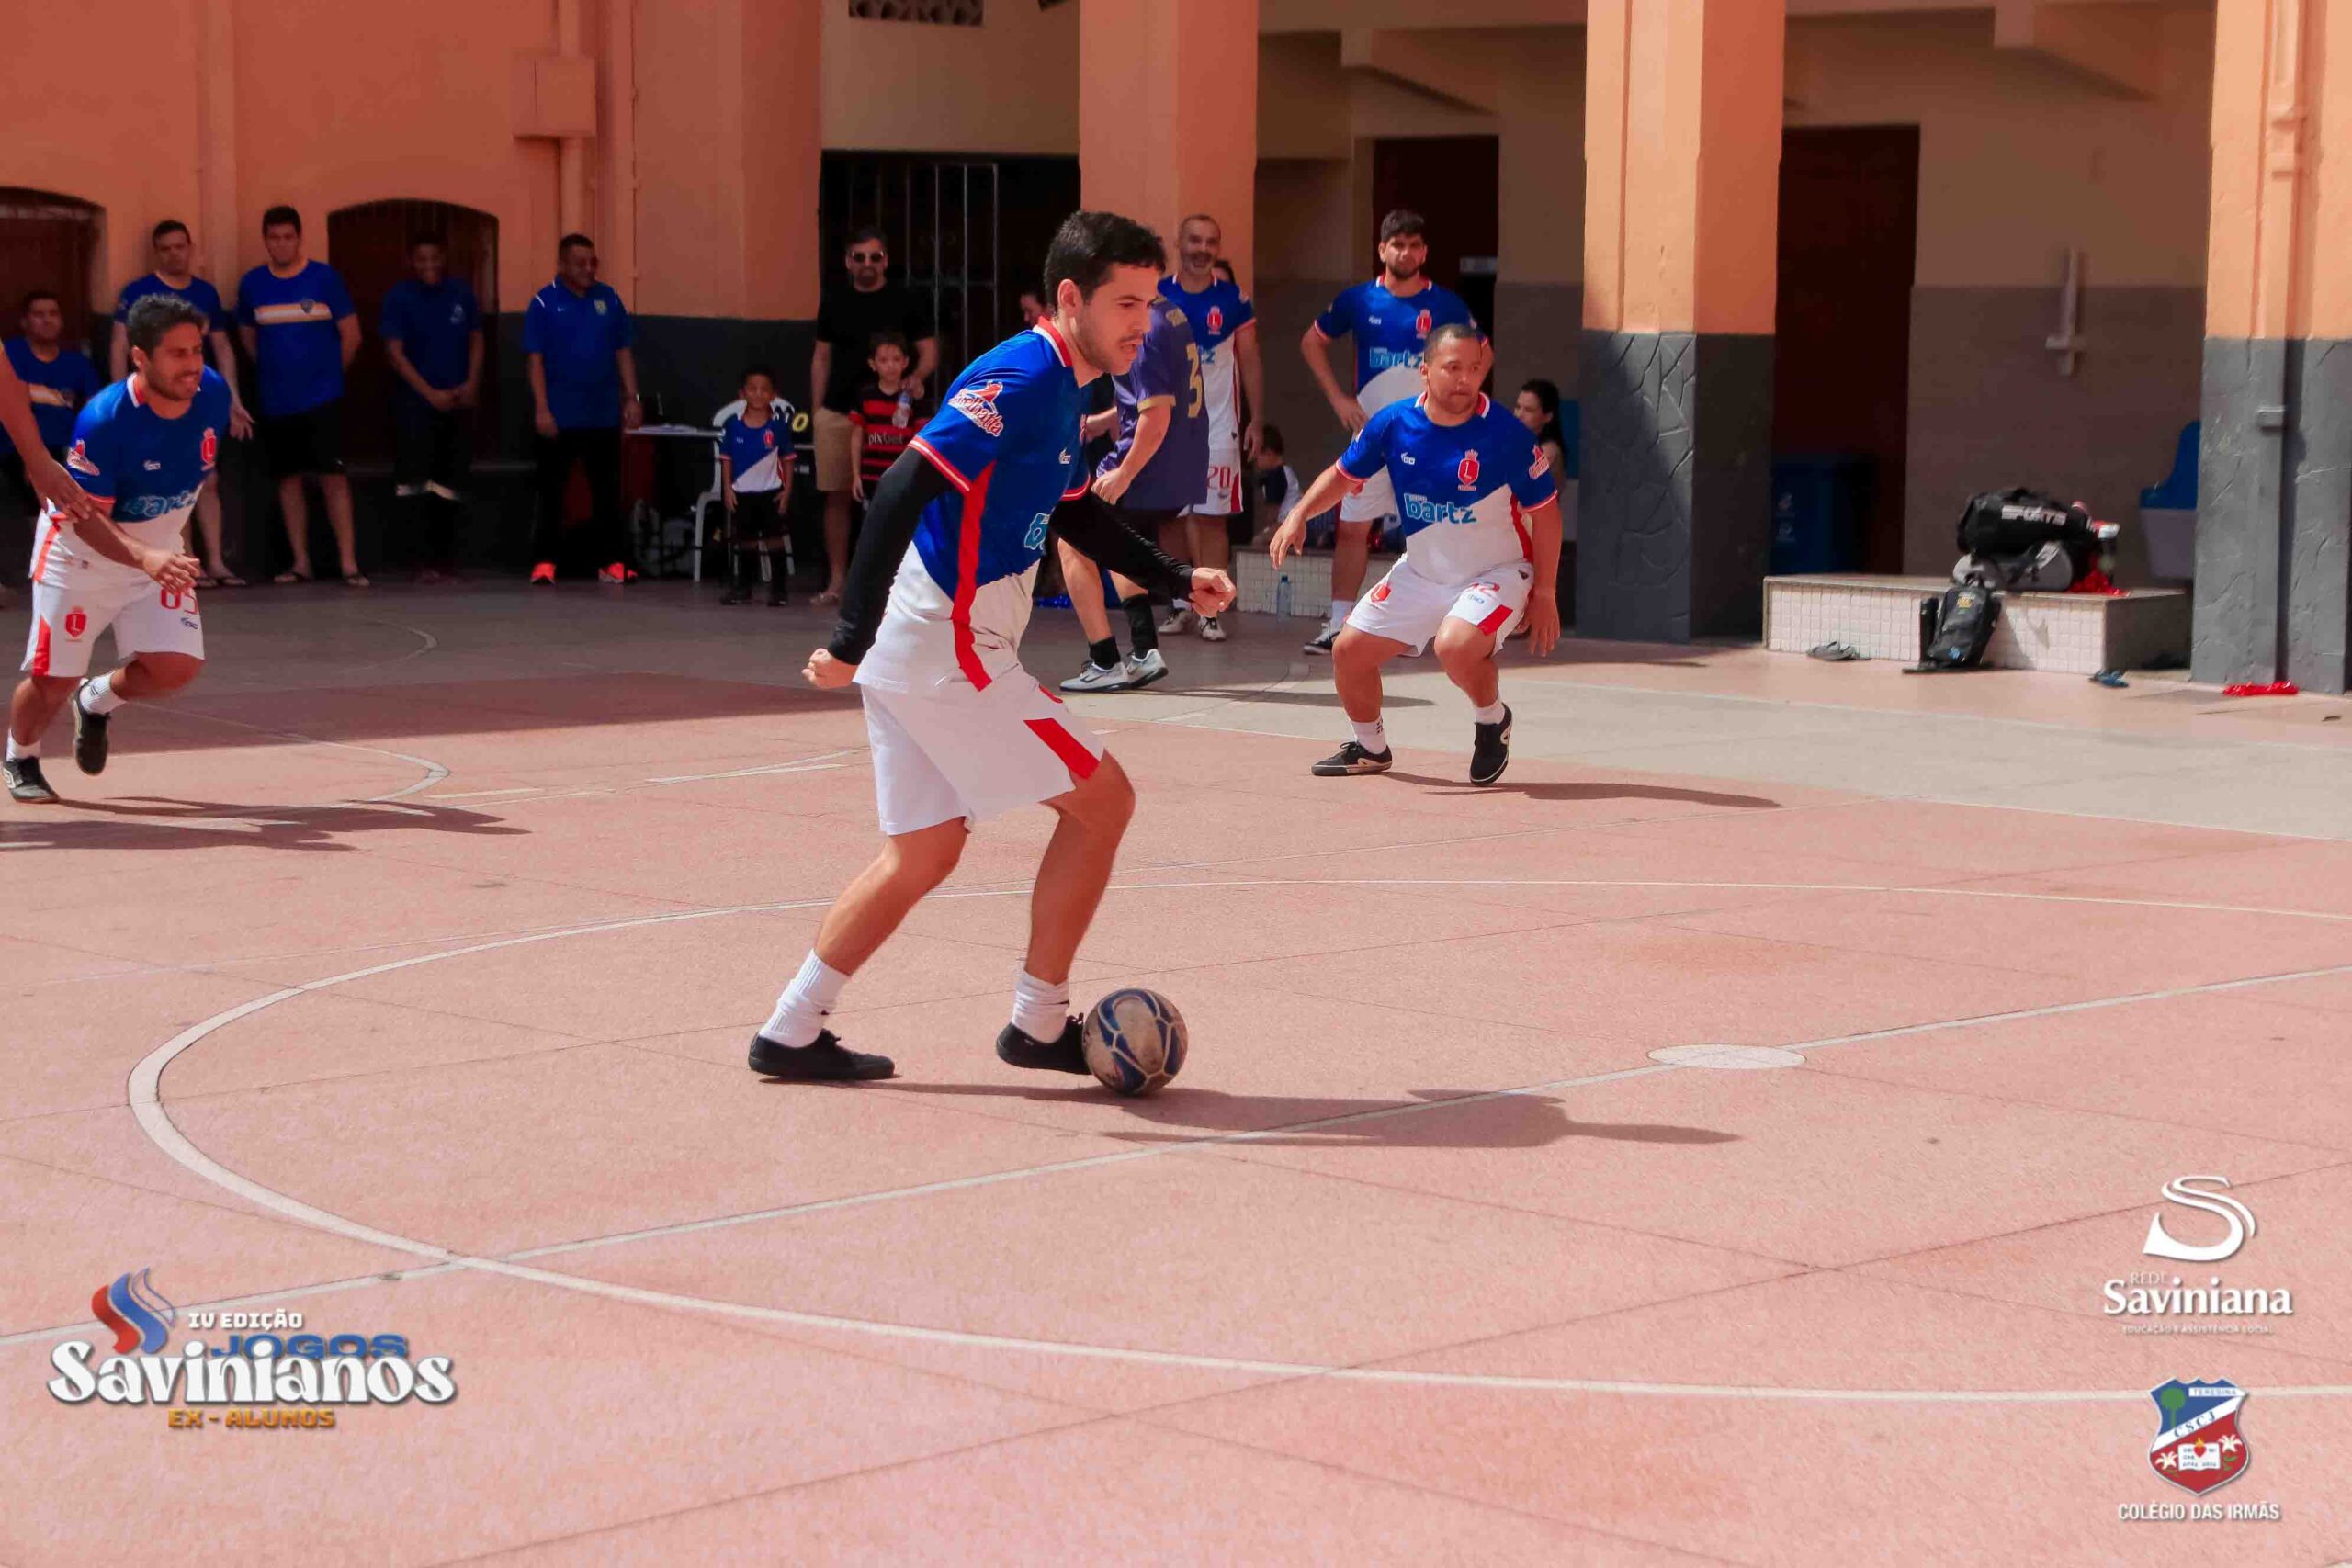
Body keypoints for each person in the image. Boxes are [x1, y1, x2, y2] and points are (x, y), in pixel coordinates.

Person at [749, 210, 1235, 1083]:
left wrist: (1171, 576)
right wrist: (849, 638)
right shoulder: (1022, 376)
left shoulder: (1070, 386)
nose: (1144, 324)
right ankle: (1039, 1021)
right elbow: (901, 486)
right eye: (1127, 304)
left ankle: (790, 1028)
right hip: (949, 641)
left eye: (1152, 305)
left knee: (924, 851)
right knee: (1105, 802)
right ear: (1071, 298)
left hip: (930, 640)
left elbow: (1074, 508)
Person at [1271, 322, 1563, 787]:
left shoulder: (1506, 435)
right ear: (1424, 371)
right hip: (1423, 572)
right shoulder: (1393, 424)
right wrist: (1299, 514)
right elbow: (1344, 475)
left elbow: (1546, 516)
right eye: (1452, 368)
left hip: (1498, 572)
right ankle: (1370, 748)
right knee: (1348, 652)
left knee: (1455, 646)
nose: (1465, 379)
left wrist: (1545, 593)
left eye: (1474, 369)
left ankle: (1492, 720)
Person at [6, 296, 212, 805]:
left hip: (156, 556)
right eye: (177, 354)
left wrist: (158, 549)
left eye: (196, 351)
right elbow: (84, 519)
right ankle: (20, 755)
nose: (192, 365)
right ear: (140, 357)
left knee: (175, 667)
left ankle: (95, 700)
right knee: (53, 680)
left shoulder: (212, 393)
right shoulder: (103, 422)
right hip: (80, 558)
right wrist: (145, 556)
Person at [1298, 209, 1479, 656]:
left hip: (1430, 439)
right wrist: (1339, 399)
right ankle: (1339, 623)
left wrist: (1462, 403)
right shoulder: (1359, 300)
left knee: (1438, 530)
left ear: (1425, 252)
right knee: (1351, 528)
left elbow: (1482, 353)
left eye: (1414, 245)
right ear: (1382, 249)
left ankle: (1439, 627)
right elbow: (1311, 342)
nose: (1406, 252)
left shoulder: (1447, 305)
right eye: (1398, 244)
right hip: (1374, 437)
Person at [1054, 285, 1206, 694]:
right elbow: (1155, 395)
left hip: (1146, 461)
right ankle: (1143, 652)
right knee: (1113, 542)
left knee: (1074, 538)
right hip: (1181, 459)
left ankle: (1106, 660)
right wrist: (1106, 421)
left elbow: (1156, 414)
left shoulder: (1142, 327)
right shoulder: (1171, 312)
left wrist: (1124, 473)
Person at [113, 220, 253, 586]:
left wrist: (233, 399)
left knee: (208, 478)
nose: (174, 254)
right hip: (156, 399)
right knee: (173, 482)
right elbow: (119, 344)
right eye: (166, 248)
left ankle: (217, 562)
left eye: (180, 246)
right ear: (156, 253)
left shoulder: (205, 293)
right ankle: (188, 562)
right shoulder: (139, 292)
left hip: (200, 399)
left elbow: (222, 348)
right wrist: (120, 398)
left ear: (190, 248)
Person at [235, 206, 363, 586]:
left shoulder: (325, 278)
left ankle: (349, 563)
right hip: (276, 400)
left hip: (324, 399)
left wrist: (327, 377)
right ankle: (301, 562)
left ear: (299, 238)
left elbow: (352, 335)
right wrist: (275, 373)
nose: (281, 244)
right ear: (265, 240)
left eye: (288, 237)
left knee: (333, 477)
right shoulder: (252, 284)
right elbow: (248, 338)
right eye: (274, 238)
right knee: (288, 480)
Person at [810, 230, 939, 606]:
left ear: (885, 261)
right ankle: (838, 581)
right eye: (860, 257)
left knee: (900, 498)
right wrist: (816, 410)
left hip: (894, 416)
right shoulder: (834, 300)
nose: (867, 264)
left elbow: (929, 351)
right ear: (848, 262)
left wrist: (915, 380)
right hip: (838, 411)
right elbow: (821, 357)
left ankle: (897, 585)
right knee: (836, 495)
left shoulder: (906, 299)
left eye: (875, 257)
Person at [1156, 214, 1262, 644]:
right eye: (1195, 240)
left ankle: (1211, 610)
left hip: (1219, 428)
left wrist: (1257, 419)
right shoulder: (1157, 296)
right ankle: (1179, 603)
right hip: (1165, 429)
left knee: (1211, 519)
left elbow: (1250, 360)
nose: (1202, 249)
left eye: (1211, 242)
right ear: (1179, 243)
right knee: (1171, 518)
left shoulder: (1234, 299)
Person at [524, 233, 641, 584]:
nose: (589, 269)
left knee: (607, 492)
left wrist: (632, 398)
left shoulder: (610, 298)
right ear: (562, 264)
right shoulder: (544, 302)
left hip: (602, 413)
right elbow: (535, 360)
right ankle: (545, 563)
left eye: (593, 262)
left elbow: (623, 351)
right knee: (552, 492)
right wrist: (542, 408)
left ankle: (611, 563)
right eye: (580, 263)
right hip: (559, 416)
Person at [379, 234, 484, 584]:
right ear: (411, 261)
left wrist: (471, 383)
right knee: (415, 484)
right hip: (414, 406)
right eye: (421, 259)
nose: (428, 265)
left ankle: (446, 558)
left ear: (444, 258)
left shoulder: (461, 293)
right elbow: (394, 353)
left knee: (450, 484)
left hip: (456, 404)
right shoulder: (399, 297)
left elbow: (476, 339)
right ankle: (418, 560)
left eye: (434, 257)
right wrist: (429, 394)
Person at [2, 294, 102, 513]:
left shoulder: (77, 363)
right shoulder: (10, 353)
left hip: (69, 447)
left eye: (53, 314)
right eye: (39, 314)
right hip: (20, 448)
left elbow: (96, 410)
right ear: (25, 322)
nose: (47, 320)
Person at [717, 366, 794, 607]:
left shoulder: (778, 427)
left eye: (764, 389)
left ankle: (779, 591)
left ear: (773, 395)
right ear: (742, 393)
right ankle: (743, 589)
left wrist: (787, 490)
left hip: (771, 493)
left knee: (774, 540)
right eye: (752, 389)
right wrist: (727, 488)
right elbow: (726, 459)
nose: (758, 394)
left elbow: (788, 460)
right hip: (742, 493)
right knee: (745, 541)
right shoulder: (733, 425)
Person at [1514, 378, 1574, 627]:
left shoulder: (1548, 451)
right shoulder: (1522, 444)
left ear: (1547, 416)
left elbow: (1522, 488)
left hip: (1532, 531)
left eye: (1529, 410)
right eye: (1518, 407)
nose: (1519, 414)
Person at [847, 332, 923, 506]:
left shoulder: (913, 398)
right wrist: (856, 476)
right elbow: (857, 437)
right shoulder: (865, 396)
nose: (890, 366)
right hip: (871, 478)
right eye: (883, 360)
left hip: (903, 479)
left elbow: (920, 441)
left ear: (905, 362)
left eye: (896, 359)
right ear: (873, 364)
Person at [1253, 423, 1300, 547]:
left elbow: (1273, 513)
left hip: (1286, 524)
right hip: (1295, 523)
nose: (1255, 461)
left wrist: (1267, 530)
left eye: (1257, 457)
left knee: (1257, 542)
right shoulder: (1286, 471)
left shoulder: (1275, 476)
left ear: (1269, 453)